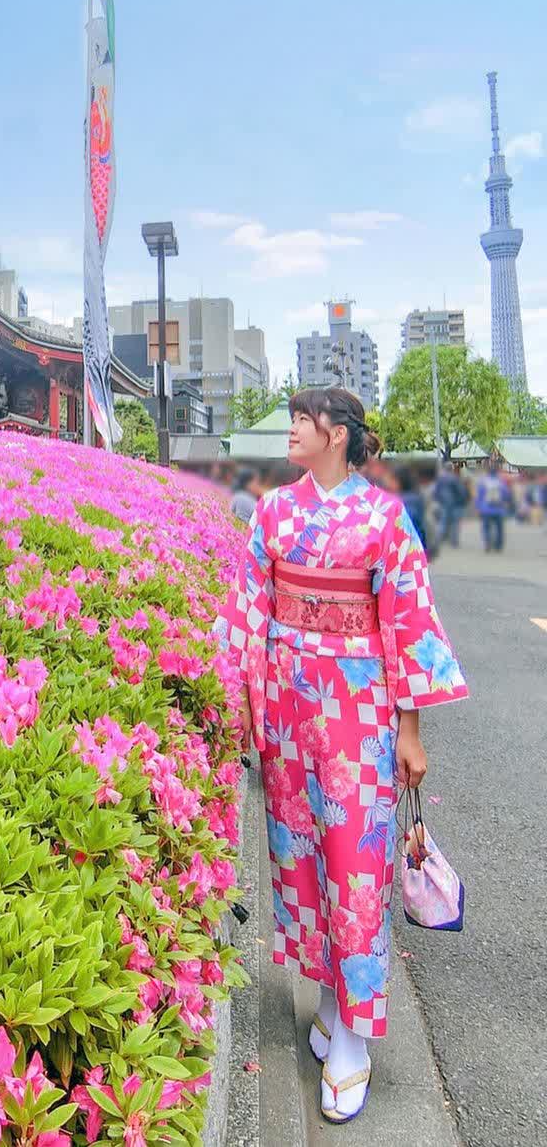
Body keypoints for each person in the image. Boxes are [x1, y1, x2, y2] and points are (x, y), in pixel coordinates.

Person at [214, 387, 468, 1125]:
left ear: (337, 433)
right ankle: (328, 997)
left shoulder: (385, 519)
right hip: (290, 706)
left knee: (356, 861)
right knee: (300, 857)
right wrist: (246, 704)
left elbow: (407, 620)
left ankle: (355, 1036)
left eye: (301, 419)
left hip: (359, 708)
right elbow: (249, 609)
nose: (290, 429)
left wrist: (410, 729)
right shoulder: (273, 511)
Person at [475, 463, 513, 552]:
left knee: (486, 527)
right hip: (499, 509)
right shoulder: (500, 482)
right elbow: (506, 495)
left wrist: (478, 507)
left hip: (486, 509)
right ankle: (498, 546)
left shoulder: (483, 482)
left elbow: (479, 496)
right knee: (499, 529)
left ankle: (487, 542)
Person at [433, 462, 467, 548]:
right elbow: (461, 491)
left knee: (443, 522)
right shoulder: (454, 478)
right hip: (454, 503)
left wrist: (439, 499)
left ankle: (439, 539)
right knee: (455, 523)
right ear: (451, 469)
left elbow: (436, 491)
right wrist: (461, 501)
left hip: (443, 503)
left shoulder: (440, 479)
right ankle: (454, 541)